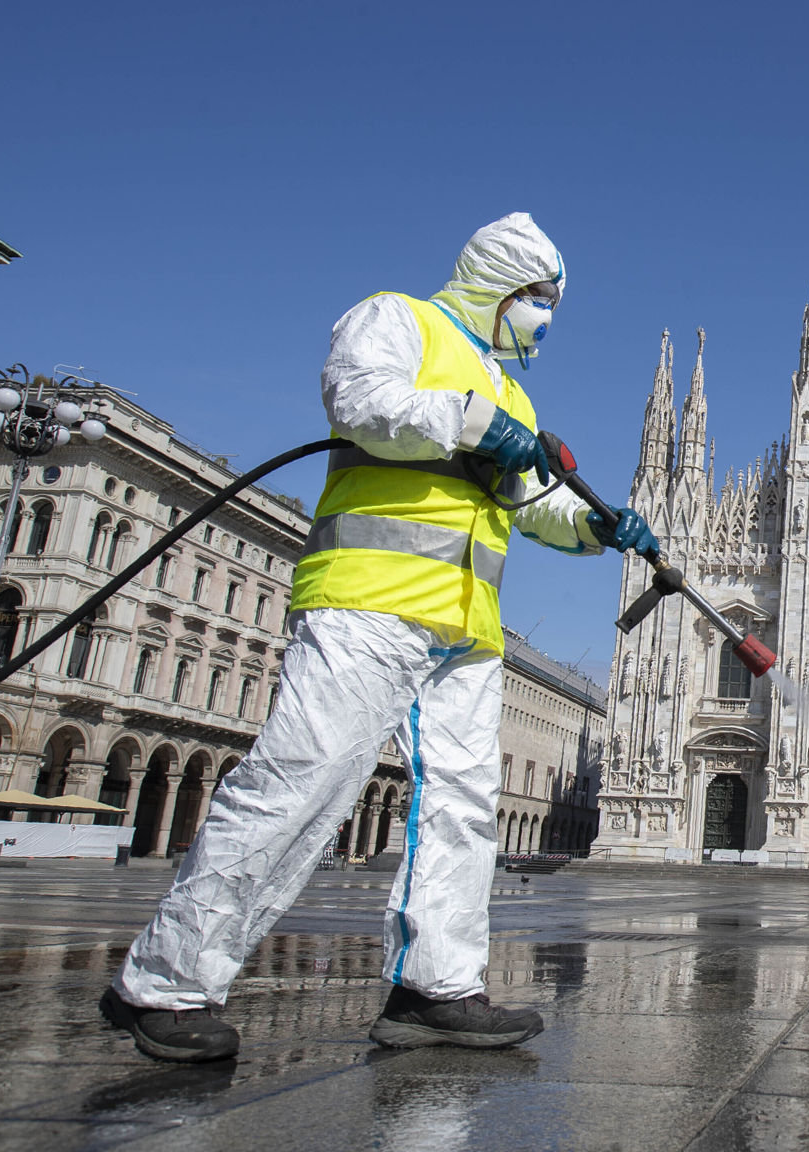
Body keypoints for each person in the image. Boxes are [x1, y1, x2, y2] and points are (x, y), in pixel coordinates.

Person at [100, 214, 656, 1063]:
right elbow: (361, 402)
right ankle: (166, 984)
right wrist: (469, 420)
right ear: (501, 286)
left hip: (466, 629)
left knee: (462, 813)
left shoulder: (509, 392)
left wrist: (595, 527)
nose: (545, 317)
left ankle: (436, 987)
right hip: (368, 602)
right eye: (540, 298)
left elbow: (529, 504)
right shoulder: (399, 318)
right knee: (302, 784)